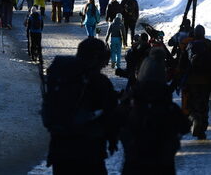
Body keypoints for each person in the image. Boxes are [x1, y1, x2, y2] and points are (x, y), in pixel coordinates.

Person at [44, 38, 118, 174]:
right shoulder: (100, 82)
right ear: (96, 58)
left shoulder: (62, 77)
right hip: (90, 152)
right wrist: (112, 139)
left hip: (60, 152)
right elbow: (111, 116)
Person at [119, 47, 191, 175]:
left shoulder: (132, 102)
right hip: (162, 165)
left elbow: (114, 121)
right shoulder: (167, 105)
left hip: (135, 164)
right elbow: (185, 126)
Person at [179, 24, 211, 140]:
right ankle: (202, 129)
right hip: (206, 81)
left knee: (191, 104)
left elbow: (182, 64)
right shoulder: (209, 45)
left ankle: (195, 118)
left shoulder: (189, 45)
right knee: (204, 104)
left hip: (191, 81)